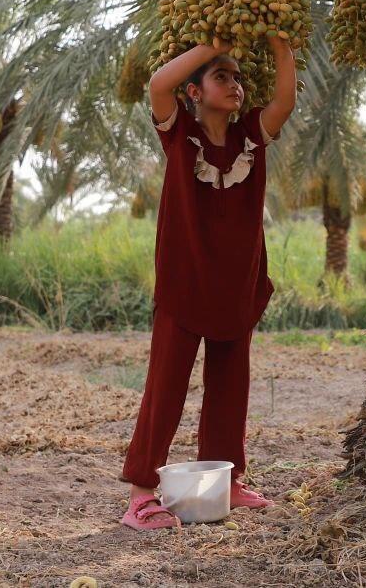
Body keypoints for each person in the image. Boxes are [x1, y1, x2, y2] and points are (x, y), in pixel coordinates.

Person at [119, 33, 297, 531]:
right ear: (195, 92)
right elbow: (158, 84)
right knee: (166, 385)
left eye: (238, 77)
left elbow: (285, 99)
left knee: (230, 385)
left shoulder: (250, 137)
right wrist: (211, 45)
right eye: (223, 76)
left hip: (236, 283)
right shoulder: (179, 134)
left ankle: (228, 482)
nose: (235, 85)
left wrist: (281, 42)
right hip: (184, 281)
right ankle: (140, 496)